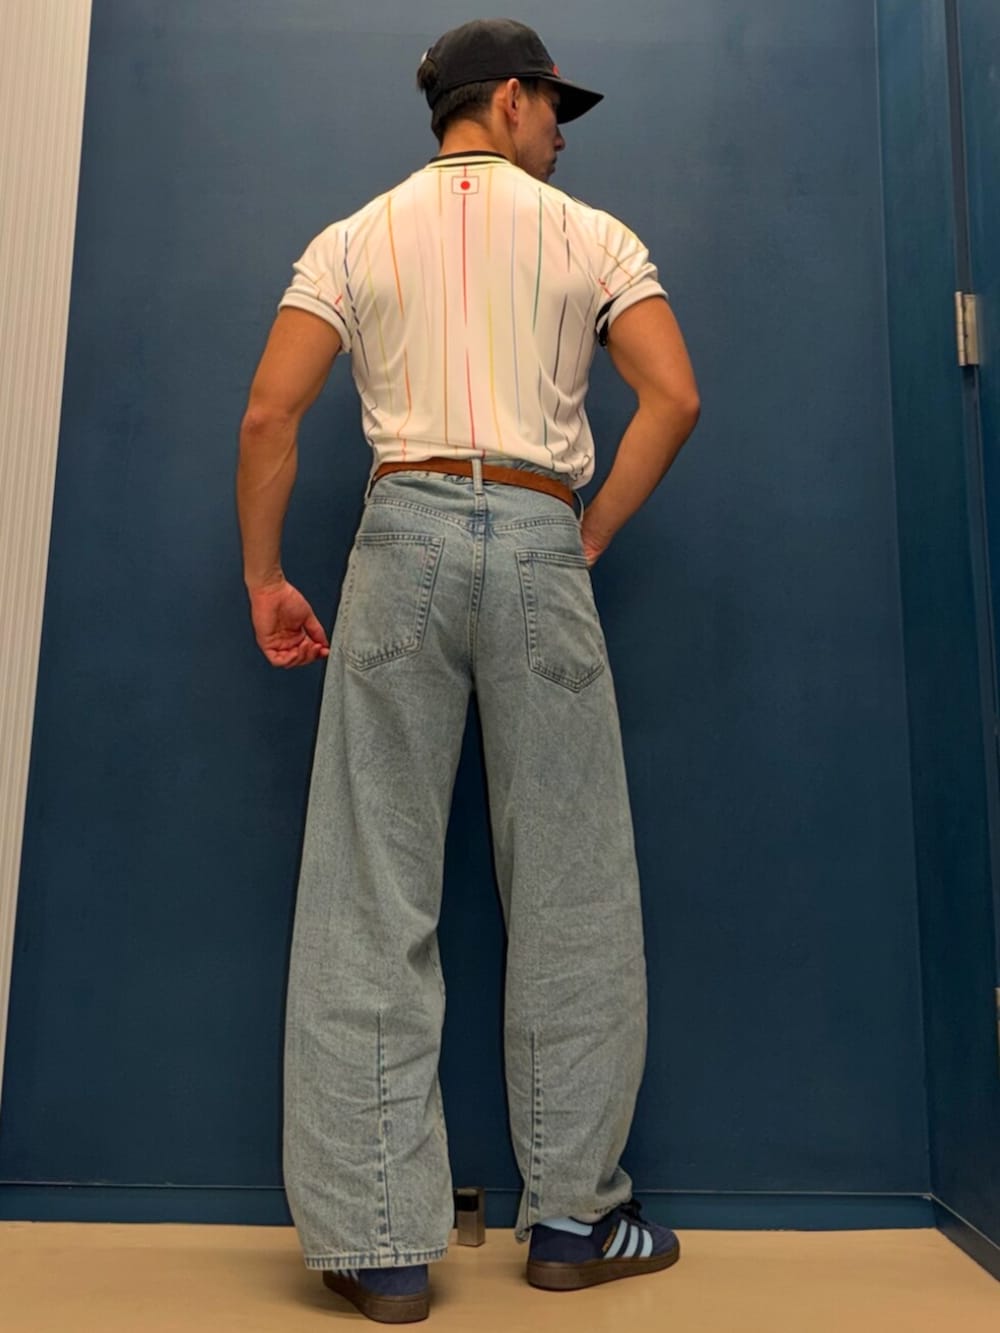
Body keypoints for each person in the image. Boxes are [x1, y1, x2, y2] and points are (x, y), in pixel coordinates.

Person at [237, 17, 700, 1325]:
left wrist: (267, 576)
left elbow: (270, 413)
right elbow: (673, 395)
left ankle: (381, 1244)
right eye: (553, 106)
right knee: (573, 885)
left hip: (403, 530)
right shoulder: (593, 237)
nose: (561, 132)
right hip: (543, 531)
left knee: (370, 887)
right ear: (503, 100)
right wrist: (581, 536)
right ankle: (576, 1219)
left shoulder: (353, 237)